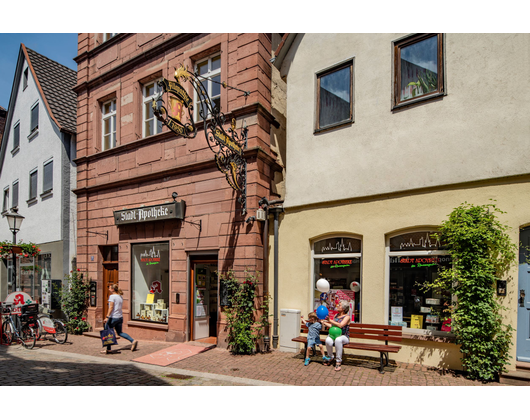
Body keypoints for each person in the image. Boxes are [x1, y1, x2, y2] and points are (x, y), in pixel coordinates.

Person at [102, 284, 138, 354]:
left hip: (113, 317)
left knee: (107, 332)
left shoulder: (112, 296)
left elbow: (111, 307)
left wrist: (107, 317)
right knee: (120, 332)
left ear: (112, 289)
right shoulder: (120, 296)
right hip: (120, 317)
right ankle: (132, 341)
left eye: (109, 288)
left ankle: (108, 349)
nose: (108, 289)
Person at [322, 300, 351, 371]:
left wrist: (330, 320)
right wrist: (324, 322)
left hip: (343, 336)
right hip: (333, 335)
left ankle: (338, 361)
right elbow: (332, 325)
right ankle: (330, 357)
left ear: (343, 308)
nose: (337, 306)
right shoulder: (336, 315)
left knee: (338, 340)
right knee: (328, 340)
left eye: (339, 305)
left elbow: (340, 325)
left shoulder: (347, 317)